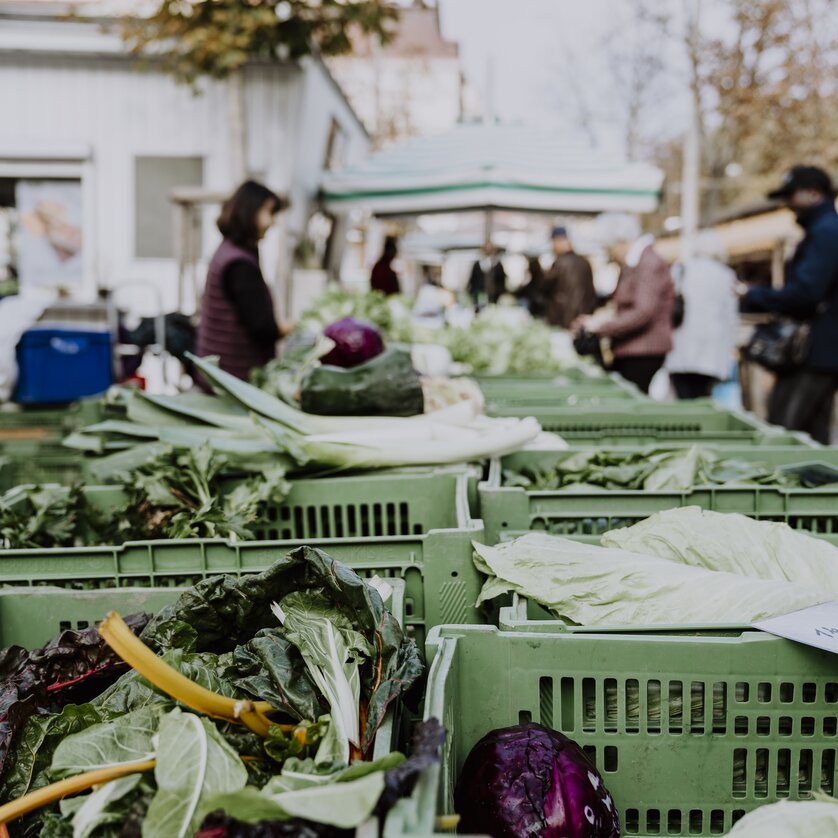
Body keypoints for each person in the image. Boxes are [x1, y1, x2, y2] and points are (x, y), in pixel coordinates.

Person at [741, 165, 838, 444]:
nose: (787, 205)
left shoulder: (826, 233)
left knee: (782, 434)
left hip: (814, 352)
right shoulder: (825, 230)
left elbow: (805, 294)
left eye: (790, 196)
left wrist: (755, 295)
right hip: (821, 351)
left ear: (812, 194)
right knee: (812, 438)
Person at [196, 180, 287, 384]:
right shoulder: (239, 264)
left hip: (221, 372)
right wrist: (292, 327)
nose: (273, 222)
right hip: (232, 377)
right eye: (270, 213)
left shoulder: (229, 250)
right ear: (250, 212)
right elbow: (262, 328)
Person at [575, 215, 675, 394]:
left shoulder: (647, 263)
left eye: (610, 247)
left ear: (621, 241)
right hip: (635, 350)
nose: (610, 253)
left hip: (643, 352)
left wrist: (601, 326)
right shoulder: (636, 263)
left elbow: (643, 312)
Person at [666, 230, 739, 399]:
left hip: (682, 347)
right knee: (703, 398)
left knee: (683, 397)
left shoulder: (681, 270)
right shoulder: (725, 275)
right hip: (711, 350)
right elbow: (730, 317)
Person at [543, 226, 597, 328]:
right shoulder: (584, 262)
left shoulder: (559, 263)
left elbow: (545, 287)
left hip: (563, 318)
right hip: (583, 318)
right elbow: (591, 292)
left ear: (557, 241)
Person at [468, 242, 507, 307]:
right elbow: (473, 280)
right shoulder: (477, 265)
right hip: (479, 297)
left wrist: (500, 293)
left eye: (490, 249)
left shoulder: (498, 265)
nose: (488, 250)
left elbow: (502, 281)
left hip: (495, 297)